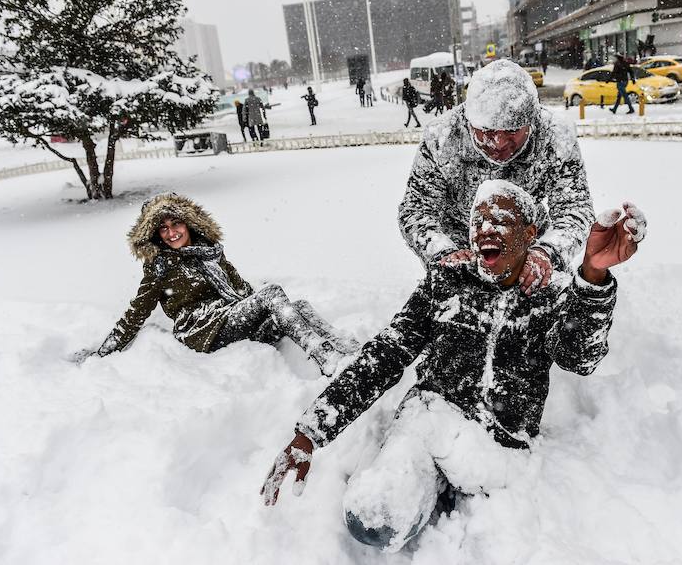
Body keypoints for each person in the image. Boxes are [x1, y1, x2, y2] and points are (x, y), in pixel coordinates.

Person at [261, 181, 647, 552]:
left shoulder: (549, 292)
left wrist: (593, 275)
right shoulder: (446, 280)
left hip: (499, 449)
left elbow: (579, 358)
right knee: (372, 520)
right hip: (427, 423)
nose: (485, 230)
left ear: (530, 233)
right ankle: (424, 483)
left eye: (501, 220)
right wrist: (311, 432)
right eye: (478, 220)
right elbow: (386, 353)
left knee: (508, 546)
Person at [85, 193, 358, 372]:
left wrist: (259, 309)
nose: (171, 233)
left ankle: (344, 347)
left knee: (298, 306)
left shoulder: (210, 251)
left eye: (176, 224)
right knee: (272, 294)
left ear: (189, 224)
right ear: (155, 234)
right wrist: (102, 353)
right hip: (202, 330)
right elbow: (136, 312)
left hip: (229, 317)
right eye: (163, 228)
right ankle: (326, 359)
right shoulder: (160, 266)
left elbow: (239, 287)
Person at [398, 58, 594, 296]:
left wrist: (547, 252)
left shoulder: (555, 137)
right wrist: (442, 253)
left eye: (512, 131)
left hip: (524, 241)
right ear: (469, 122)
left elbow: (575, 208)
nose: (499, 143)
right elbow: (416, 210)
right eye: (488, 131)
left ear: (531, 123)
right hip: (460, 241)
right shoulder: (442, 138)